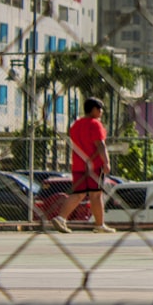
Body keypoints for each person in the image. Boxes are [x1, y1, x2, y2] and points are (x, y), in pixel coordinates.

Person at [51, 97, 116, 234]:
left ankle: (61, 218)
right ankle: (99, 224)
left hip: (79, 165)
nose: (101, 112)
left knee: (78, 194)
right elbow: (100, 145)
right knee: (96, 194)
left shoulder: (76, 125)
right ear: (93, 110)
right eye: (100, 109)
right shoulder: (95, 124)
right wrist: (106, 162)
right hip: (94, 166)